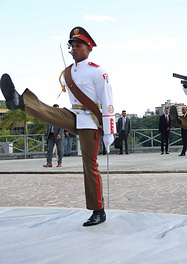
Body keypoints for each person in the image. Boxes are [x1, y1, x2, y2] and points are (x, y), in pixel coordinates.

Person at [0, 26, 115, 227]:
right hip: (73, 114)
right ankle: (20, 101)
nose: (74, 49)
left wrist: (109, 131)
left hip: (91, 121)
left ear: (89, 49)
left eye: (79, 45)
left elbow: (108, 102)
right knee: (52, 113)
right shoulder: (68, 72)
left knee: (90, 166)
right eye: (72, 46)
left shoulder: (99, 72)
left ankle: (99, 210)